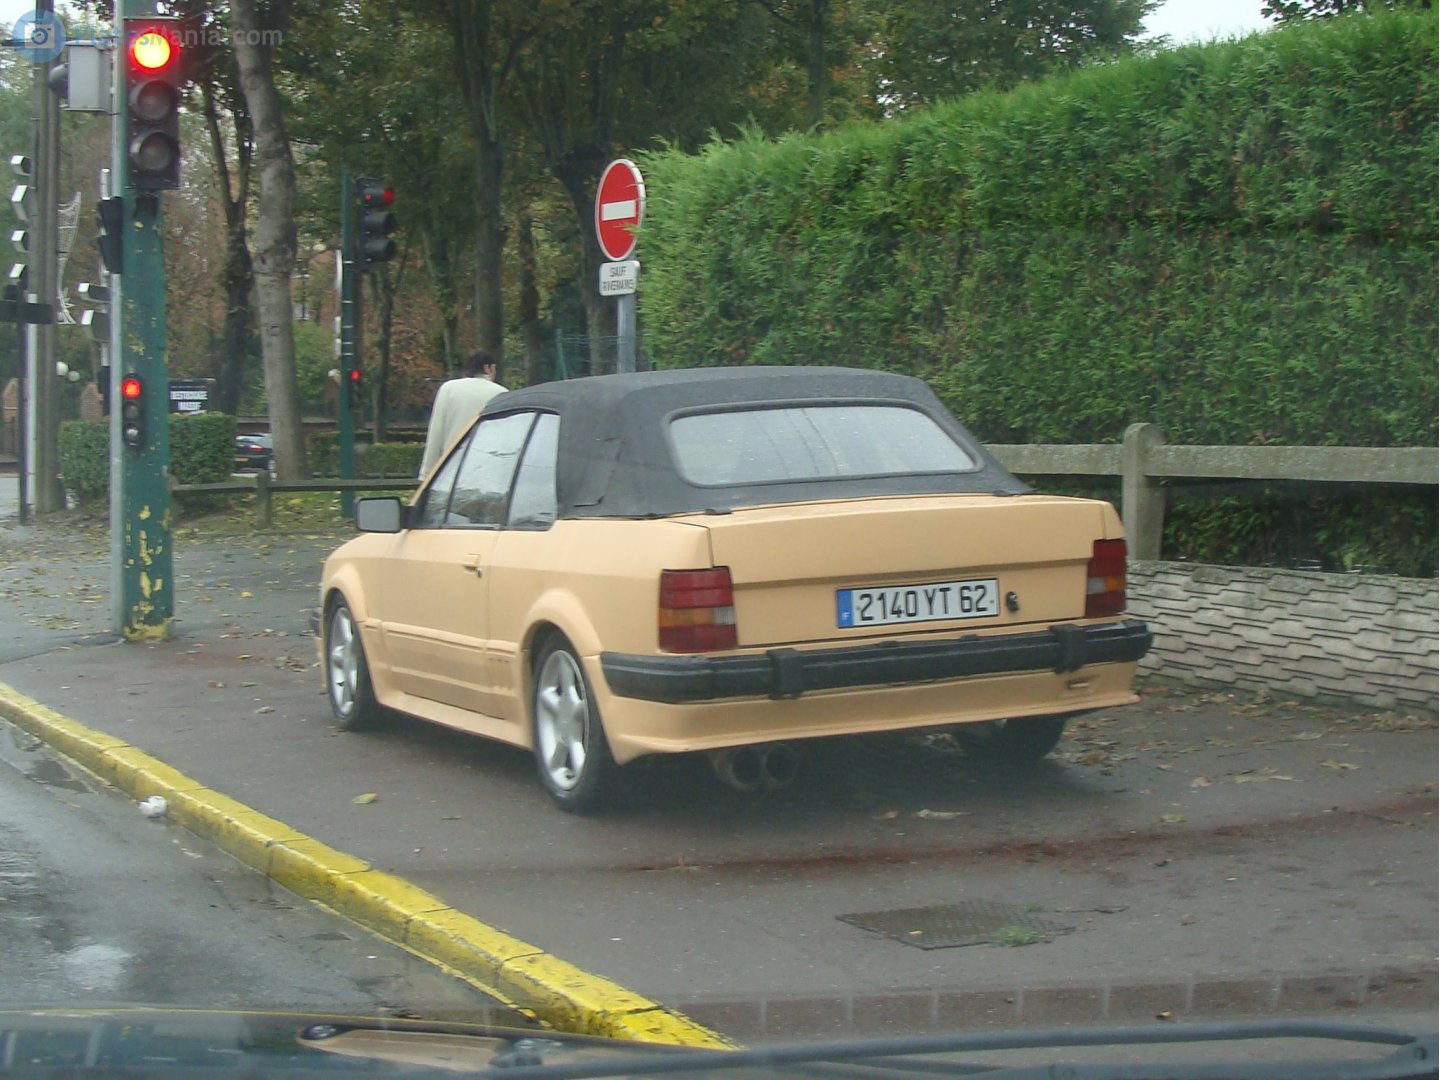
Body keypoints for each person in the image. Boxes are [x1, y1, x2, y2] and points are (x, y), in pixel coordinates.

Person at [418, 350, 507, 479]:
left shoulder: (448, 389)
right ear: (488, 368)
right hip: (486, 470)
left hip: (451, 468)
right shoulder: (501, 393)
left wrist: (427, 474)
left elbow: (437, 431)